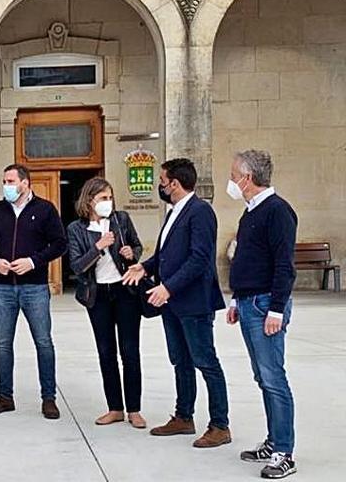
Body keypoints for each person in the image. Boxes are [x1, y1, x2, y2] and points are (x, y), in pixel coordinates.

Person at [123, 158, 230, 448]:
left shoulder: (200, 212)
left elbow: (199, 259)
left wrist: (168, 288)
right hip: (172, 303)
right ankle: (184, 416)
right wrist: (144, 267)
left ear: (175, 184)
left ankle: (220, 425)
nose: (159, 184)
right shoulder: (174, 213)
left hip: (193, 302)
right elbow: (166, 255)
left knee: (205, 361)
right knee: (180, 360)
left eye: (161, 180)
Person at [225, 150, 298, 479]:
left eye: (233, 175)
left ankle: (285, 451)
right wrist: (236, 300)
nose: (232, 181)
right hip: (248, 302)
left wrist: (277, 309)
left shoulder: (277, 212)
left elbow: (284, 266)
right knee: (262, 378)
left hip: (267, 305)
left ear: (247, 178)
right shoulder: (250, 211)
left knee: (273, 379)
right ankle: (273, 440)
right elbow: (245, 260)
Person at [0, 164, 66, 420]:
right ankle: (5, 396)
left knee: (43, 342)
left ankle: (48, 398)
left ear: (26, 183)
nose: (7, 186)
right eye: (5, 181)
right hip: (3, 288)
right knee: (2, 343)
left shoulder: (45, 209)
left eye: (11, 181)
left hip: (34, 286)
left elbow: (59, 243)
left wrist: (34, 261)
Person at [66, 177, 146, 428]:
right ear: (90, 201)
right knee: (106, 352)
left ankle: (134, 409)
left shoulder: (121, 220)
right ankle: (115, 408)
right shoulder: (76, 229)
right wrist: (99, 247)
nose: (107, 203)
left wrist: (132, 253)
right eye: (102, 198)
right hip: (97, 294)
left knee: (130, 351)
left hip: (125, 290)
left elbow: (137, 246)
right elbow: (77, 266)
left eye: (110, 198)